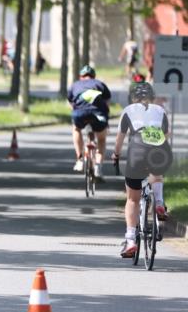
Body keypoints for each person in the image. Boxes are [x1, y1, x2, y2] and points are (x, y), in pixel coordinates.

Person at [112, 82, 171, 258]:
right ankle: (159, 203)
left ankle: (130, 240)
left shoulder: (128, 110)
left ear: (133, 98)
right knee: (157, 175)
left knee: (132, 200)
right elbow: (166, 135)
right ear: (152, 97)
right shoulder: (161, 111)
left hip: (136, 151)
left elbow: (119, 139)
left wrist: (116, 155)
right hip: (160, 152)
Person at [66, 64, 111, 178]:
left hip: (80, 114)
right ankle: (98, 167)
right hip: (98, 115)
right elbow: (107, 103)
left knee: (76, 128)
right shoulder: (100, 84)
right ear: (93, 76)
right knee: (101, 139)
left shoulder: (75, 85)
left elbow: (71, 103)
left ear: (81, 77)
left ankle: (80, 159)